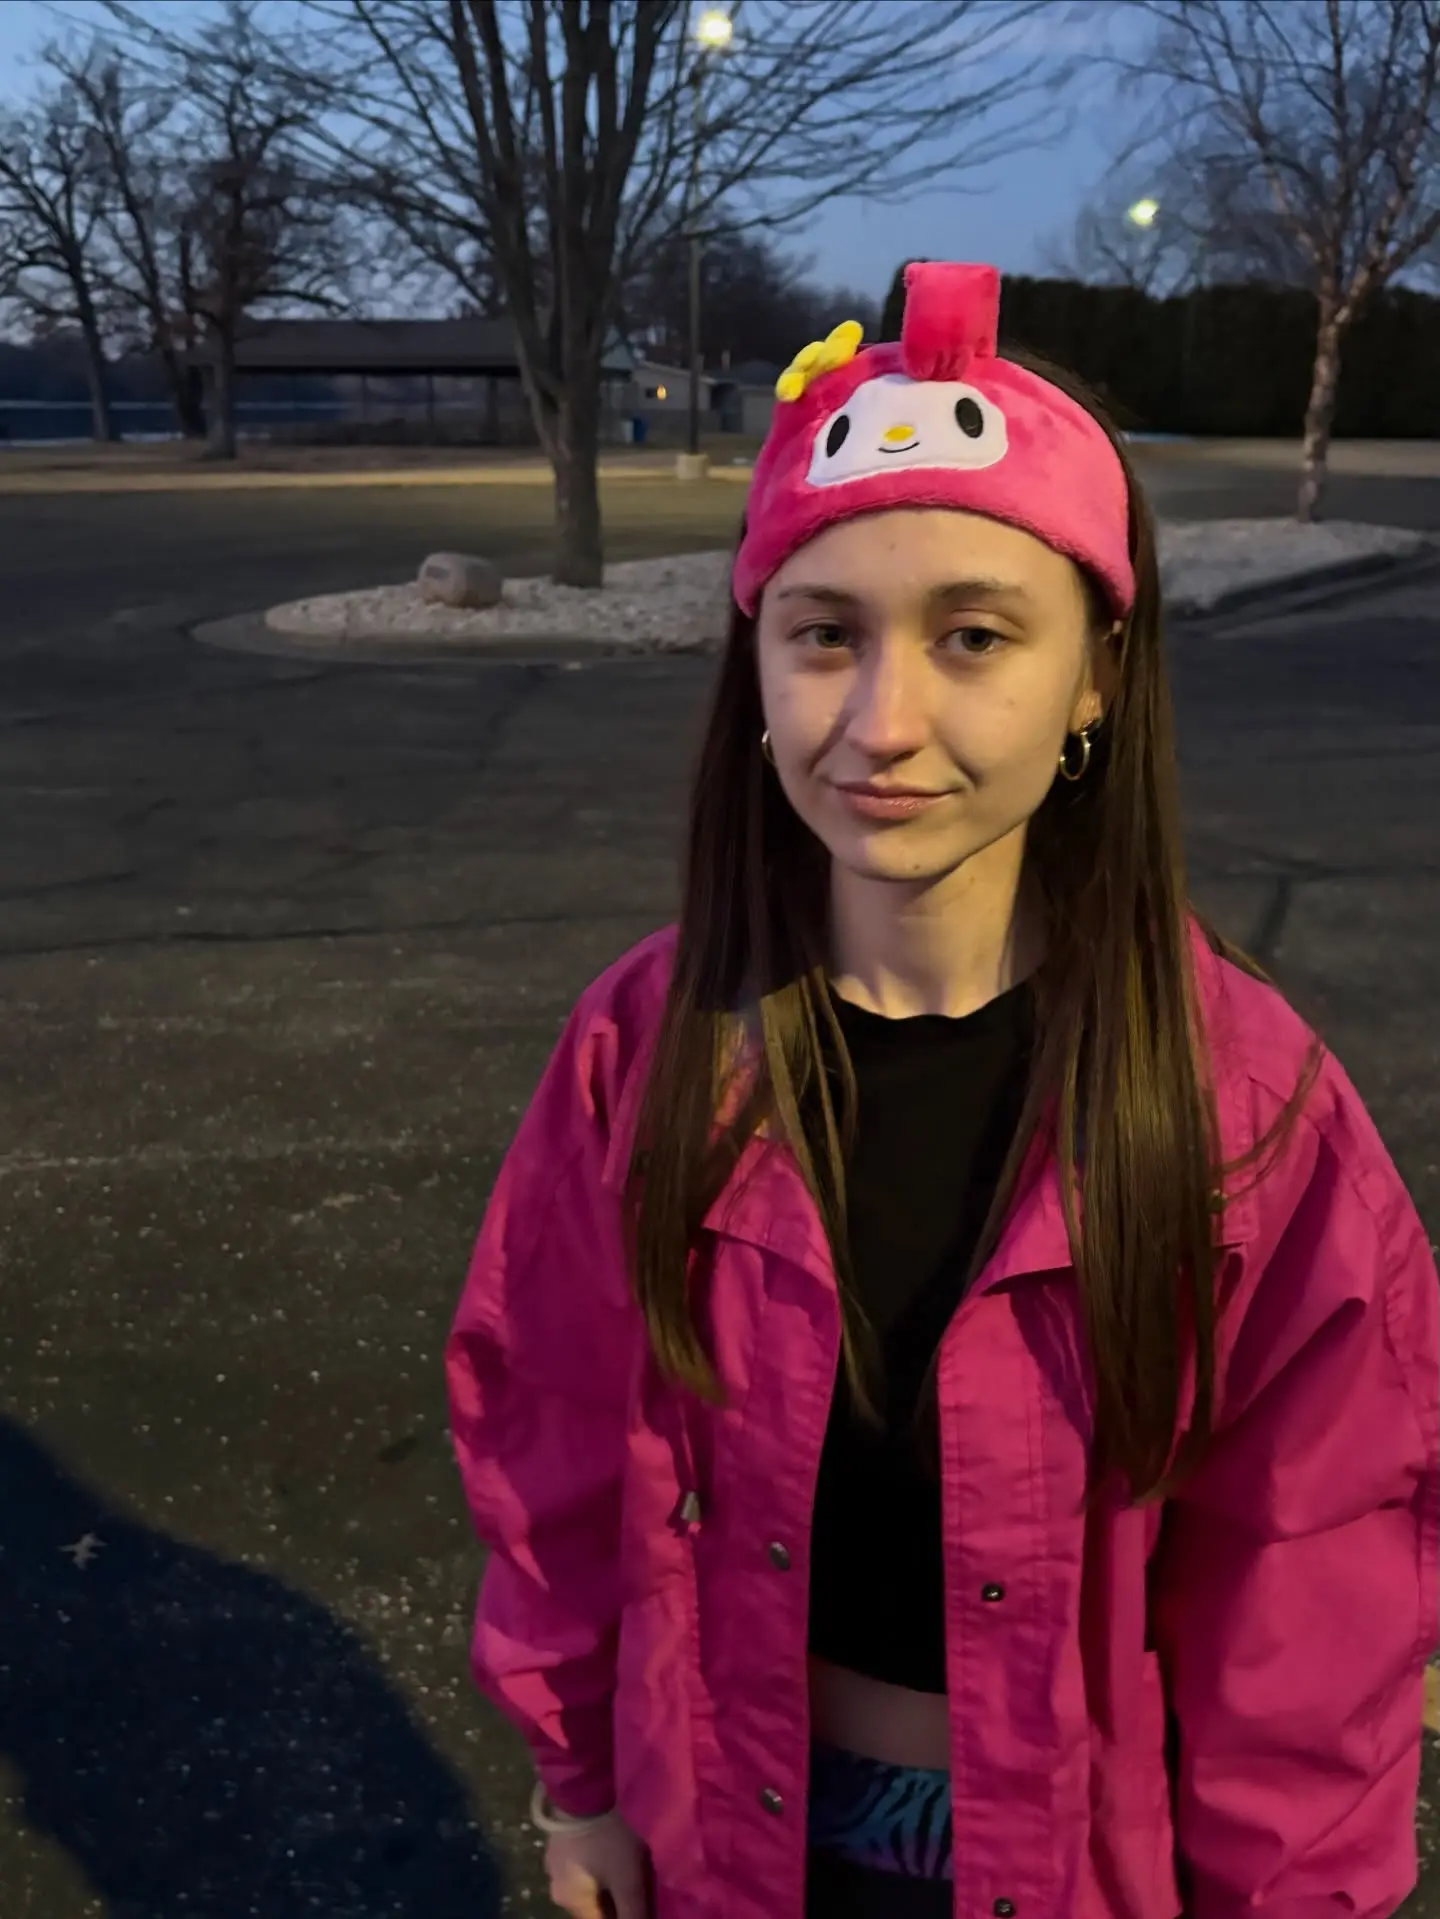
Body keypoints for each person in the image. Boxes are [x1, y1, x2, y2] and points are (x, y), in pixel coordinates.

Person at [445, 261, 1439, 1919]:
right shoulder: (649, 1052)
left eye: (975, 636)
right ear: (757, 664)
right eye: (825, 634)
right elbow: (550, 1441)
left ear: (1097, 673)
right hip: (729, 1837)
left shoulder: (1246, 1111)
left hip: (1080, 1865)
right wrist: (582, 1779)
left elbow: (1314, 1578)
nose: (884, 722)